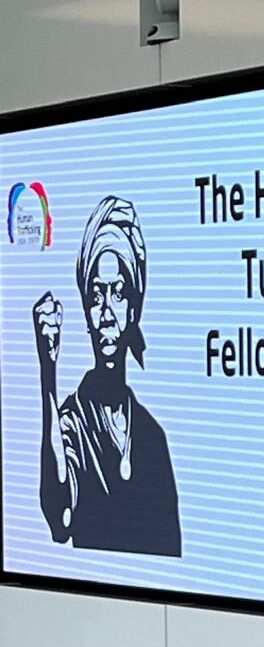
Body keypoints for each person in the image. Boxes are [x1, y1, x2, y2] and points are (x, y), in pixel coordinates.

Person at [32, 195, 181, 557]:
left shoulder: (152, 437)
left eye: (118, 294)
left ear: (134, 306)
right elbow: (60, 517)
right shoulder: (71, 420)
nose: (106, 313)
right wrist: (47, 369)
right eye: (96, 295)